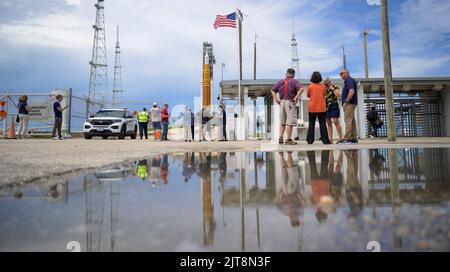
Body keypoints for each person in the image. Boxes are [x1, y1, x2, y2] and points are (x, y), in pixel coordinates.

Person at [271, 68, 304, 145]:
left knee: (282, 122)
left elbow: (272, 90)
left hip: (282, 102)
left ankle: (280, 138)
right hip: (290, 102)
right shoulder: (294, 81)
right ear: (293, 75)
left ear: (286, 74)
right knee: (290, 122)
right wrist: (296, 97)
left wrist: (276, 99)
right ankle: (289, 139)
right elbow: (302, 89)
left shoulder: (280, 81)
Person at [275, 152, 306, 228]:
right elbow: (277, 203)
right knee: (284, 169)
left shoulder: (298, 212)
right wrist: (279, 194)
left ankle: (289, 153)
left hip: (293, 191)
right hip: (284, 191)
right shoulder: (285, 212)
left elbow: (303, 203)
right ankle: (281, 155)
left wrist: (299, 195)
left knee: (292, 169)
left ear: (297, 220)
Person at [306, 72, 330, 145]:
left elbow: (308, 95)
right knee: (322, 124)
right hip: (321, 108)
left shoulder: (310, 86)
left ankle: (310, 140)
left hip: (312, 108)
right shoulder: (323, 87)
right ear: (320, 78)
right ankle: (325, 140)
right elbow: (325, 94)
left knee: (311, 124)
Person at [339, 69, 358, 144]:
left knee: (348, 120)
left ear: (347, 73)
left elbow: (351, 91)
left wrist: (346, 102)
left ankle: (347, 138)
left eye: (342, 73)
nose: (340, 75)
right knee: (352, 120)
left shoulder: (349, 80)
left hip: (349, 103)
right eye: (340, 74)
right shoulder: (348, 81)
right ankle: (353, 138)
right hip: (351, 103)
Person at [324, 78, 343, 144]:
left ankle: (340, 138)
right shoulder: (324, 88)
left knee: (336, 122)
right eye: (325, 83)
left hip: (334, 105)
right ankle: (330, 138)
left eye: (327, 83)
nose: (326, 84)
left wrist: (332, 89)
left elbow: (338, 95)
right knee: (329, 123)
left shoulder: (335, 87)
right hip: (326, 106)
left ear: (330, 82)